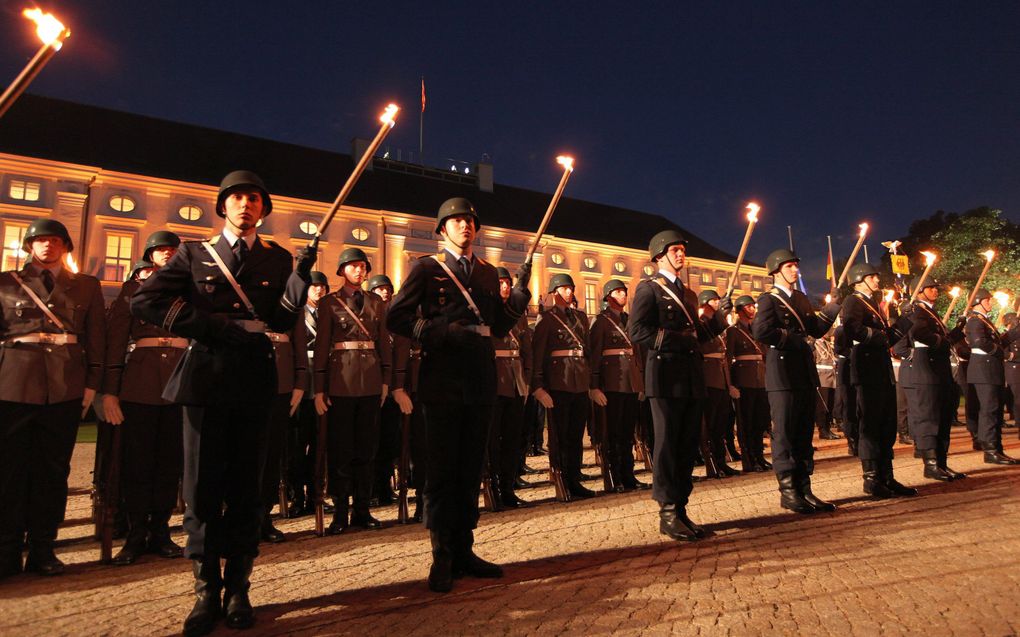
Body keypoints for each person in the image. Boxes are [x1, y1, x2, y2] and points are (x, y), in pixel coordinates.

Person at [132, 170, 315, 635]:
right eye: (236, 198)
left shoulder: (277, 259)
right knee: (202, 487)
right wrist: (208, 326)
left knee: (247, 487)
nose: (245, 204)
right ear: (223, 206)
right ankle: (205, 589)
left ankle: (238, 587)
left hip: (254, 376)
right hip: (206, 376)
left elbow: (278, 318)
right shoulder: (194, 254)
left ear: (262, 208)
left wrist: (299, 280)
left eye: (254, 198)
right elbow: (146, 300)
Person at [386, 197, 530, 593]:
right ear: (442, 229)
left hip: (480, 375)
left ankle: (465, 547)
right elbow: (396, 317)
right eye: (456, 221)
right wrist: (439, 332)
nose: (465, 226)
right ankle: (442, 553)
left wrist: (517, 299)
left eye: (469, 221)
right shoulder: (427, 268)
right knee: (441, 468)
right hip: (442, 376)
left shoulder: (485, 272)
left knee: (470, 466)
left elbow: (498, 327)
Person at [0, 219, 105, 578]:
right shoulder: (5, 282)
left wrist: (91, 385)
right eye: (40, 240)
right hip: (12, 386)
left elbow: (97, 340)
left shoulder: (86, 287)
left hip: (64, 386)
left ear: (66, 246)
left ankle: (44, 548)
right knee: (8, 470)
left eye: (55, 240)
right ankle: (7, 549)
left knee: (53, 471)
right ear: (29, 245)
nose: (47, 246)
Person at [628, 229, 730, 541]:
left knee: (687, 444)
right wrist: (675, 339)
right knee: (668, 444)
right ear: (659, 255)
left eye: (682, 249)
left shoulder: (688, 294)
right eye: (674, 250)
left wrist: (718, 321)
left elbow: (698, 336)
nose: (680, 254)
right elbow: (638, 331)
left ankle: (682, 507)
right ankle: (667, 511)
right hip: (664, 376)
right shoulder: (649, 289)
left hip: (690, 376)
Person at [102, 231, 187, 565]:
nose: (166, 254)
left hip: (179, 383)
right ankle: (136, 532)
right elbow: (115, 343)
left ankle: (162, 530)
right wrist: (111, 390)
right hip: (139, 382)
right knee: (137, 462)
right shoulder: (131, 292)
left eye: (171, 250)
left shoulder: (189, 292)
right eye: (160, 250)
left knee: (170, 462)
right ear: (150, 255)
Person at [751, 249, 840, 513]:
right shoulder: (769, 299)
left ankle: (805, 487)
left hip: (803, 371)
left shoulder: (800, 298)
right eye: (789, 266)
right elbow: (761, 330)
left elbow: (814, 328)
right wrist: (793, 340)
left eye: (795, 266)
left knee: (803, 432)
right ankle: (788, 490)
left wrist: (833, 307)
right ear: (776, 270)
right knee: (786, 433)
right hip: (783, 373)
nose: (794, 270)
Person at [313, 249, 391, 533]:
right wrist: (319, 388)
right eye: (352, 266)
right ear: (342, 271)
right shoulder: (328, 304)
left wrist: (385, 380)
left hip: (370, 381)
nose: (359, 271)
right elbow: (321, 347)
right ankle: (340, 513)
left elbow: (383, 342)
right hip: (340, 383)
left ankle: (362, 510)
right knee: (341, 450)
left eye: (362, 267)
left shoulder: (374, 302)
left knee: (366, 449)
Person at [840, 263, 916, 498]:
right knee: (871, 424)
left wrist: (905, 319)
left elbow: (888, 339)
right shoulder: (853, 301)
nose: (877, 280)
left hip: (880, 370)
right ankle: (872, 478)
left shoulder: (872, 304)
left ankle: (886, 475)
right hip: (866, 370)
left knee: (885, 423)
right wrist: (878, 337)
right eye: (873, 277)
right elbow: (853, 329)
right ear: (860, 279)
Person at [531, 273, 595, 500]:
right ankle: (561, 478)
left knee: (576, 435)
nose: (569, 292)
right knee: (559, 435)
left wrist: (591, 382)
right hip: (558, 383)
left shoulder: (580, 317)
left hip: (579, 383)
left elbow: (587, 351)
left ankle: (574, 478)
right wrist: (538, 386)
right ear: (554, 292)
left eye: (571, 288)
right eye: (564, 288)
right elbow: (538, 355)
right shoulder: (546, 319)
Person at [898, 276, 967, 480]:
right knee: (929, 418)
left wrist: (957, 329)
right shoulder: (917, 311)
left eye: (935, 288)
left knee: (944, 416)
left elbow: (944, 340)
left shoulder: (930, 311)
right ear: (919, 291)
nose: (935, 291)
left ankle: (942, 462)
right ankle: (931, 464)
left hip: (940, 369)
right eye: (930, 288)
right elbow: (919, 333)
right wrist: (940, 342)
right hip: (926, 368)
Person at [588, 279, 648, 491]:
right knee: (612, 434)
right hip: (611, 384)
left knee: (627, 433)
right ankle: (613, 477)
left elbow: (638, 353)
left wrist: (640, 382)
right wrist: (594, 385)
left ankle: (628, 475)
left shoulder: (630, 320)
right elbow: (594, 355)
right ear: (608, 296)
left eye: (624, 292)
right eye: (618, 292)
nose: (623, 295)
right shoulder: (601, 322)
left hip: (631, 384)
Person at [487, 267, 533, 508]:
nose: (505, 286)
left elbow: (526, 351)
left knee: (512, 438)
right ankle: (492, 486)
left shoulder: (519, 315)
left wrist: (526, 380)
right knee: (492, 440)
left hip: (515, 382)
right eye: (501, 283)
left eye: (508, 283)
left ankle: (508, 486)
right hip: (494, 382)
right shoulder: (488, 312)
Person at [288, 271, 329, 517]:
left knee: (320, 443)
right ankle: (297, 497)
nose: (319, 291)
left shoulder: (329, 314)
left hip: (322, 382)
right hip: (299, 383)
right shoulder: (294, 314)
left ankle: (317, 494)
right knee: (296, 445)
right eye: (314, 286)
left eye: (322, 287)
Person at [964, 289, 1020, 464]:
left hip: (991, 370)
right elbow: (980, 342)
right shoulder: (974, 320)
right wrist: (1002, 354)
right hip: (984, 370)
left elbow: (999, 340)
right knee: (989, 410)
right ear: (978, 302)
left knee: (995, 410)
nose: (991, 303)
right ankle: (990, 450)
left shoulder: (984, 321)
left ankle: (997, 448)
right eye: (987, 300)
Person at [725, 295, 771, 472]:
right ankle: (749, 458)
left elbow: (764, 355)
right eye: (749, 306)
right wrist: (730, 384)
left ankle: (759, 456)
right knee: (747, 422)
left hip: (760, 380)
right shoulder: (733, 331)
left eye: (753, 306)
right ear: (740, 310)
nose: (752, 309)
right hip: (744, 381)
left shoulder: (757, 330)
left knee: (760, 421)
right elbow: (728, 359)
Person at [697, 289, 739, 478]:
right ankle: (711, 463)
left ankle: (721, 461)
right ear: (705, 303)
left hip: (721, 378)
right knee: (710, 424)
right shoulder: (701, 324)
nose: (717, 303)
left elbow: (724, 357)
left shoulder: (718, 327)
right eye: (714, 301)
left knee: (721, 424)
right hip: (708, 379)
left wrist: (729, 383)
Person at [367, 274, 401, 507]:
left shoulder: (397, 321)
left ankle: (385, 486)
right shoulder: (367, 318)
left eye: (387, 289)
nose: (385, 293)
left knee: (390, 440)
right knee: (371, 441)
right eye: (379, 290)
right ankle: (369, 489)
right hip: (371, 383)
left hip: (392, 388)